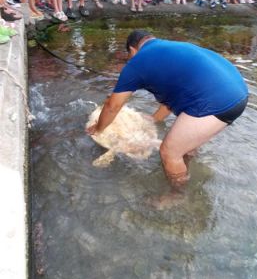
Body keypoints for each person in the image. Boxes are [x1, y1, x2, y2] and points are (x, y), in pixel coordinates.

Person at [86, 29, 248, 188]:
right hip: (238, 91)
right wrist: (155, 119)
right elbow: (175, 92)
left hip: (217, 101)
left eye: (129, 55)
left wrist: (98, 128)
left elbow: (112, 106)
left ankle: (177, 196)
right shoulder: (171, 48)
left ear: (132, 49)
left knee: (169, 152)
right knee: (185, 148)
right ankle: (186, 165)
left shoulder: (137, 62)